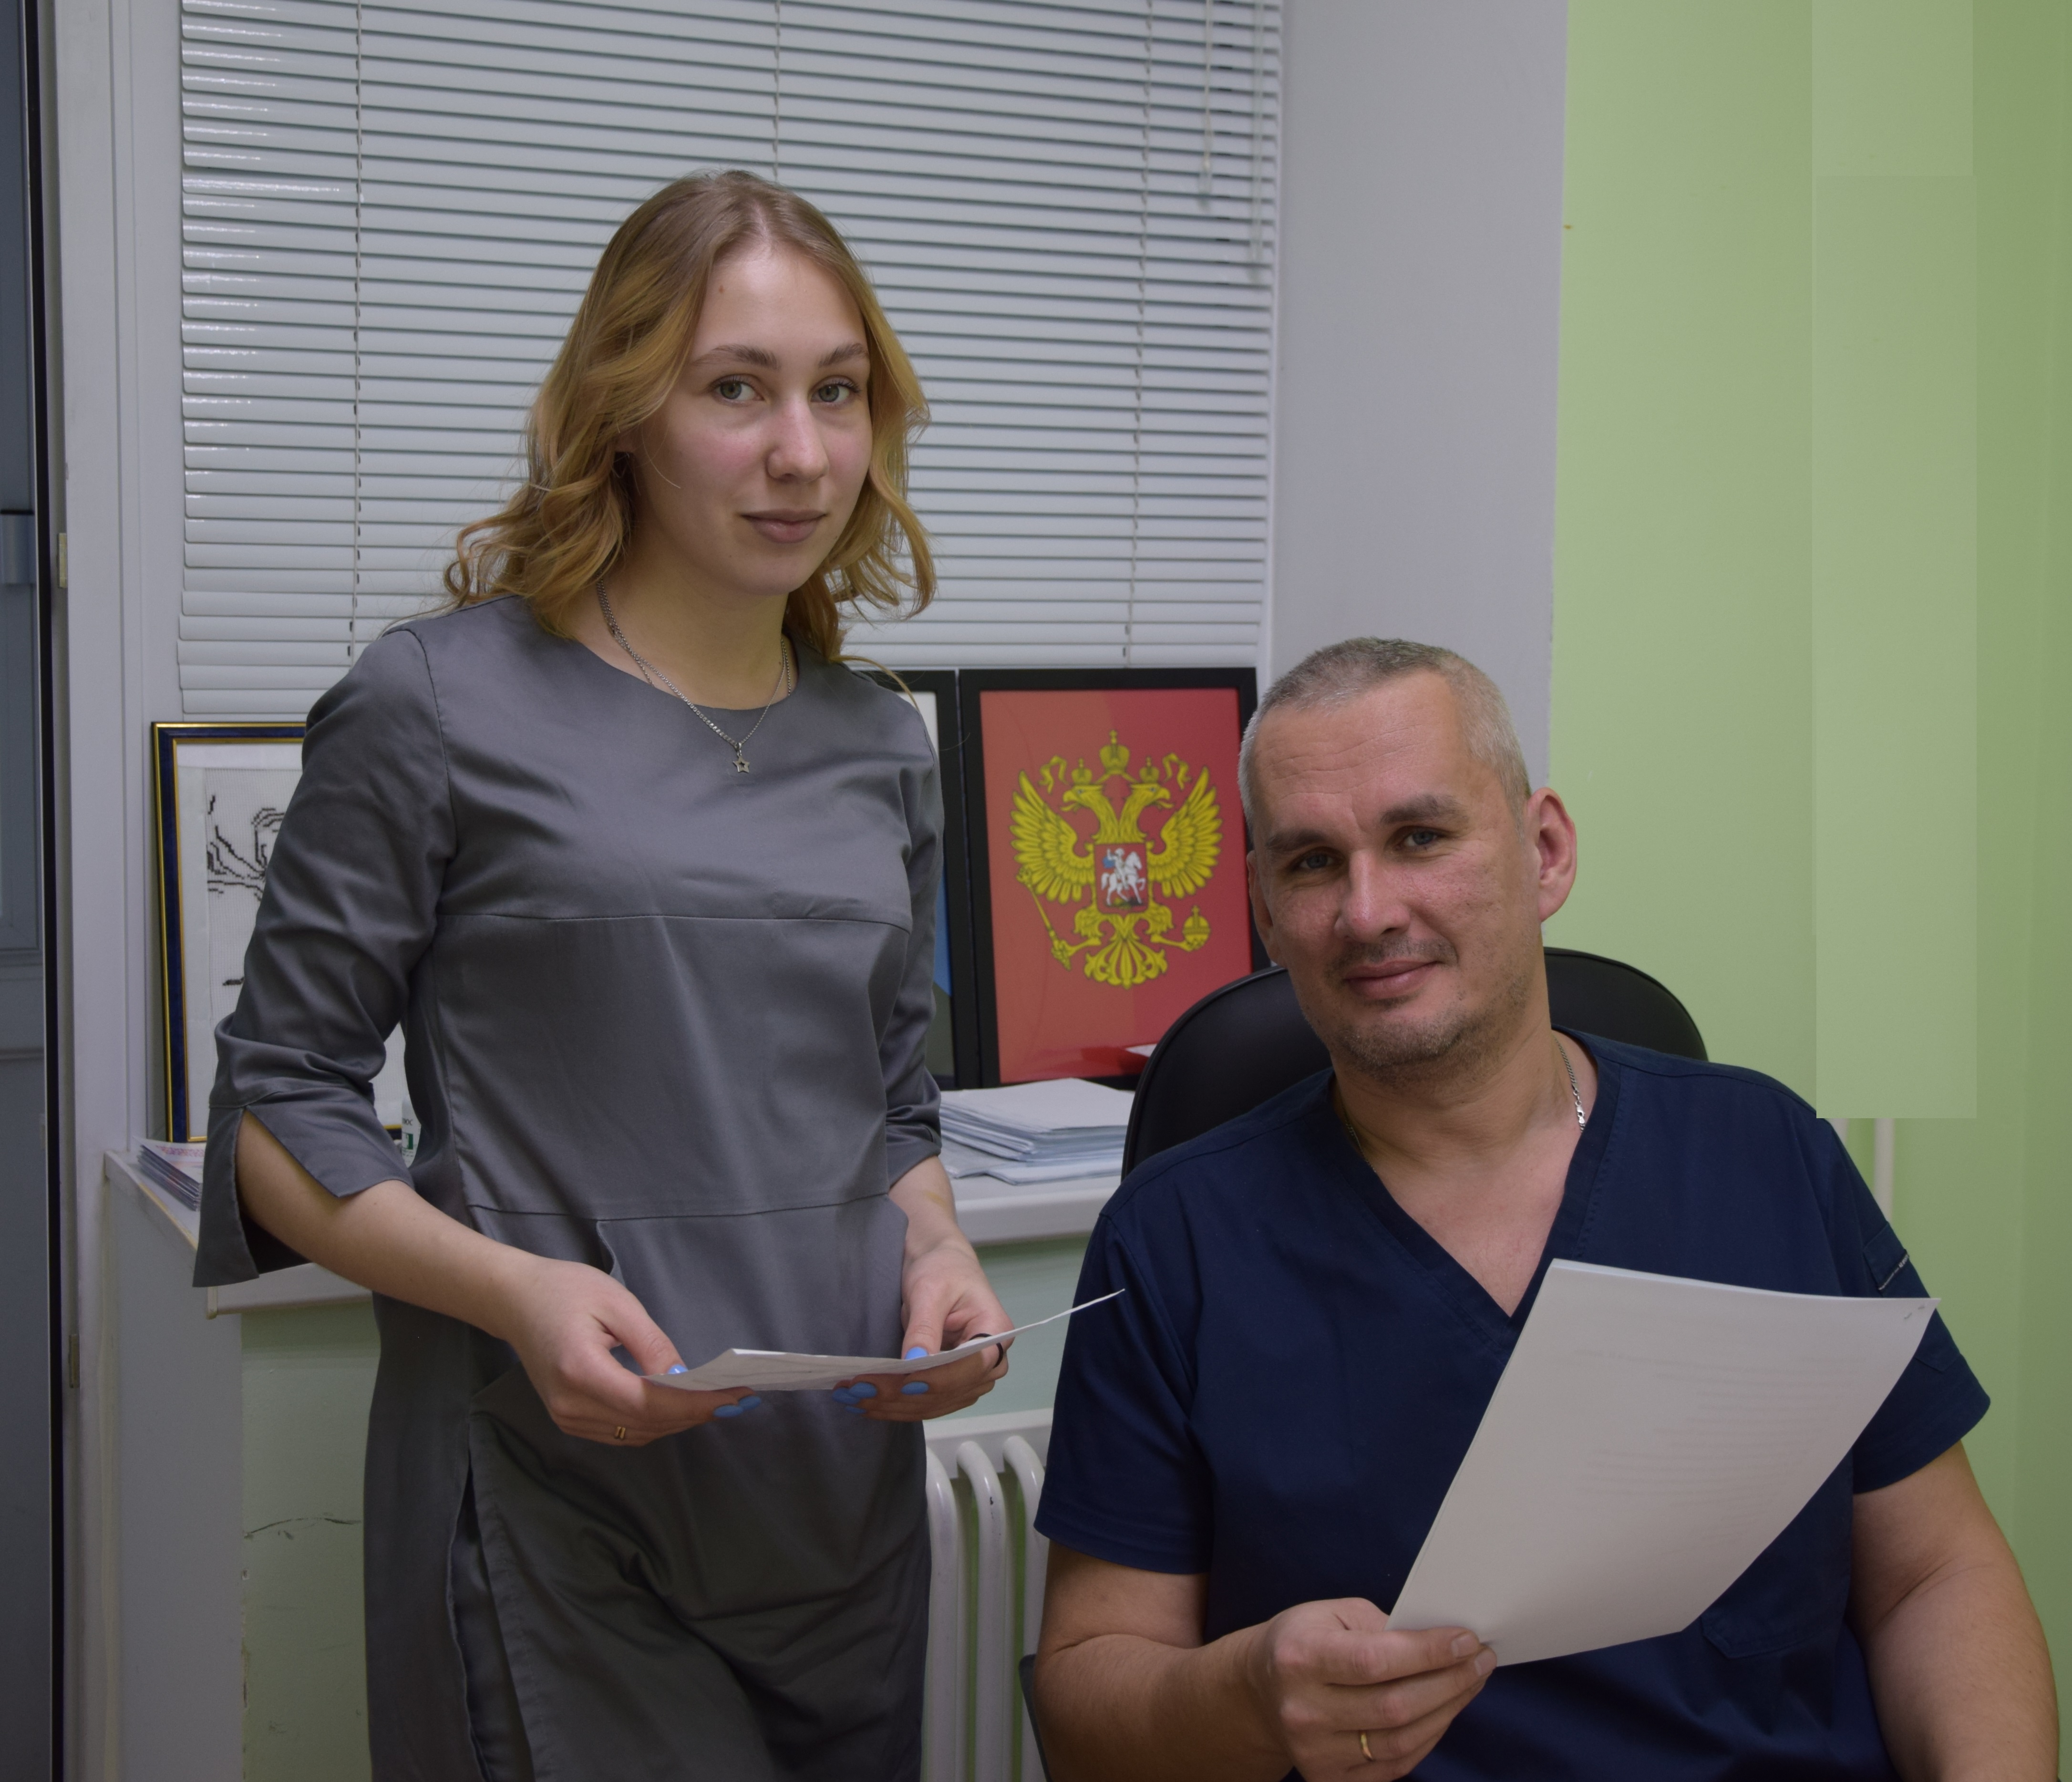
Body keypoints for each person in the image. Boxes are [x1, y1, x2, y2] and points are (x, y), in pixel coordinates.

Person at [194, 171, 1011, 1782]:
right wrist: (515, 1293)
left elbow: (892, 1111)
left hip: (833, 1512)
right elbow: (279, 1115)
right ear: (624, 413)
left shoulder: (880, 745)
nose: (802, 451)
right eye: (736, 389)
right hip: (553, 1504)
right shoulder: (435, 704)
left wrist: (942, 1263)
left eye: (837, 391)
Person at [1030, 639, 2058, 1781]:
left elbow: (1934, 1576)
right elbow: (1084, 1705)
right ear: (1265, 912)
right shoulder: (1176, 1242)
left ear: (1546, 851)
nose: (1368, 912)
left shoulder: (1765, 1155)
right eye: (1312, 863)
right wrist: (1250, 1698)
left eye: (1421, 838)